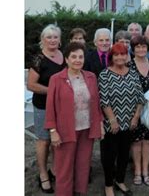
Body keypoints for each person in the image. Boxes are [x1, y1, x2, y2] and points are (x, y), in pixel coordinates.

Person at [44, 42, 104, 196]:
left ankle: (79, 192)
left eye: (81, 57)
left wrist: (100, 123)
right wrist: (52, 130)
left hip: (87, 128)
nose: (78, 60)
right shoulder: (56, 79)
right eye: (74, 57)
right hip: (65, 131)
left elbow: (96, 102)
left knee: (83, 165)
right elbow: (50, 107)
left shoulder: (91, 77)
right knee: (64, 167)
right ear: (66, 59)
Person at [98, 43, 145, 196]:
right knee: (109, 155)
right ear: (112, 57)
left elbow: (140, 97)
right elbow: (104, 100)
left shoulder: (132, 73)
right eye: (116, 54)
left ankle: (120, 180)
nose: (120, 57)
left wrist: (136, 117)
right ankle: (108, 185)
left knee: (124, 154)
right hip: (111, 123)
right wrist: (112, 120)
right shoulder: (104, 74)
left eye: (123, 54)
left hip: (130, 122)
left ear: (127, 56)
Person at [27, 24, 65, 194]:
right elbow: (31, 85)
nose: (52, 40)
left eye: (55, 37)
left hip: (62, 106)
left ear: (60, 39)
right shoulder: (38, 59)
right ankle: (43, 174)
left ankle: (55, 170)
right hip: (43, 106)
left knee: (58, 140)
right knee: (44, 139)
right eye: (48, 37)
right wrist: (53, 91)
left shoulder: (64, 56)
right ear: (43, 40)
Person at [129, 35, 149, 186]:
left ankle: (145, 171)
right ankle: (137, 171)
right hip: (134, 109)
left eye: (143, 47)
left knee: (148, 141)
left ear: (147, 48)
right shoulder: (128, 65)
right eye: (138, 47)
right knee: (136, 142)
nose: (141, 49)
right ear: (133, 49)